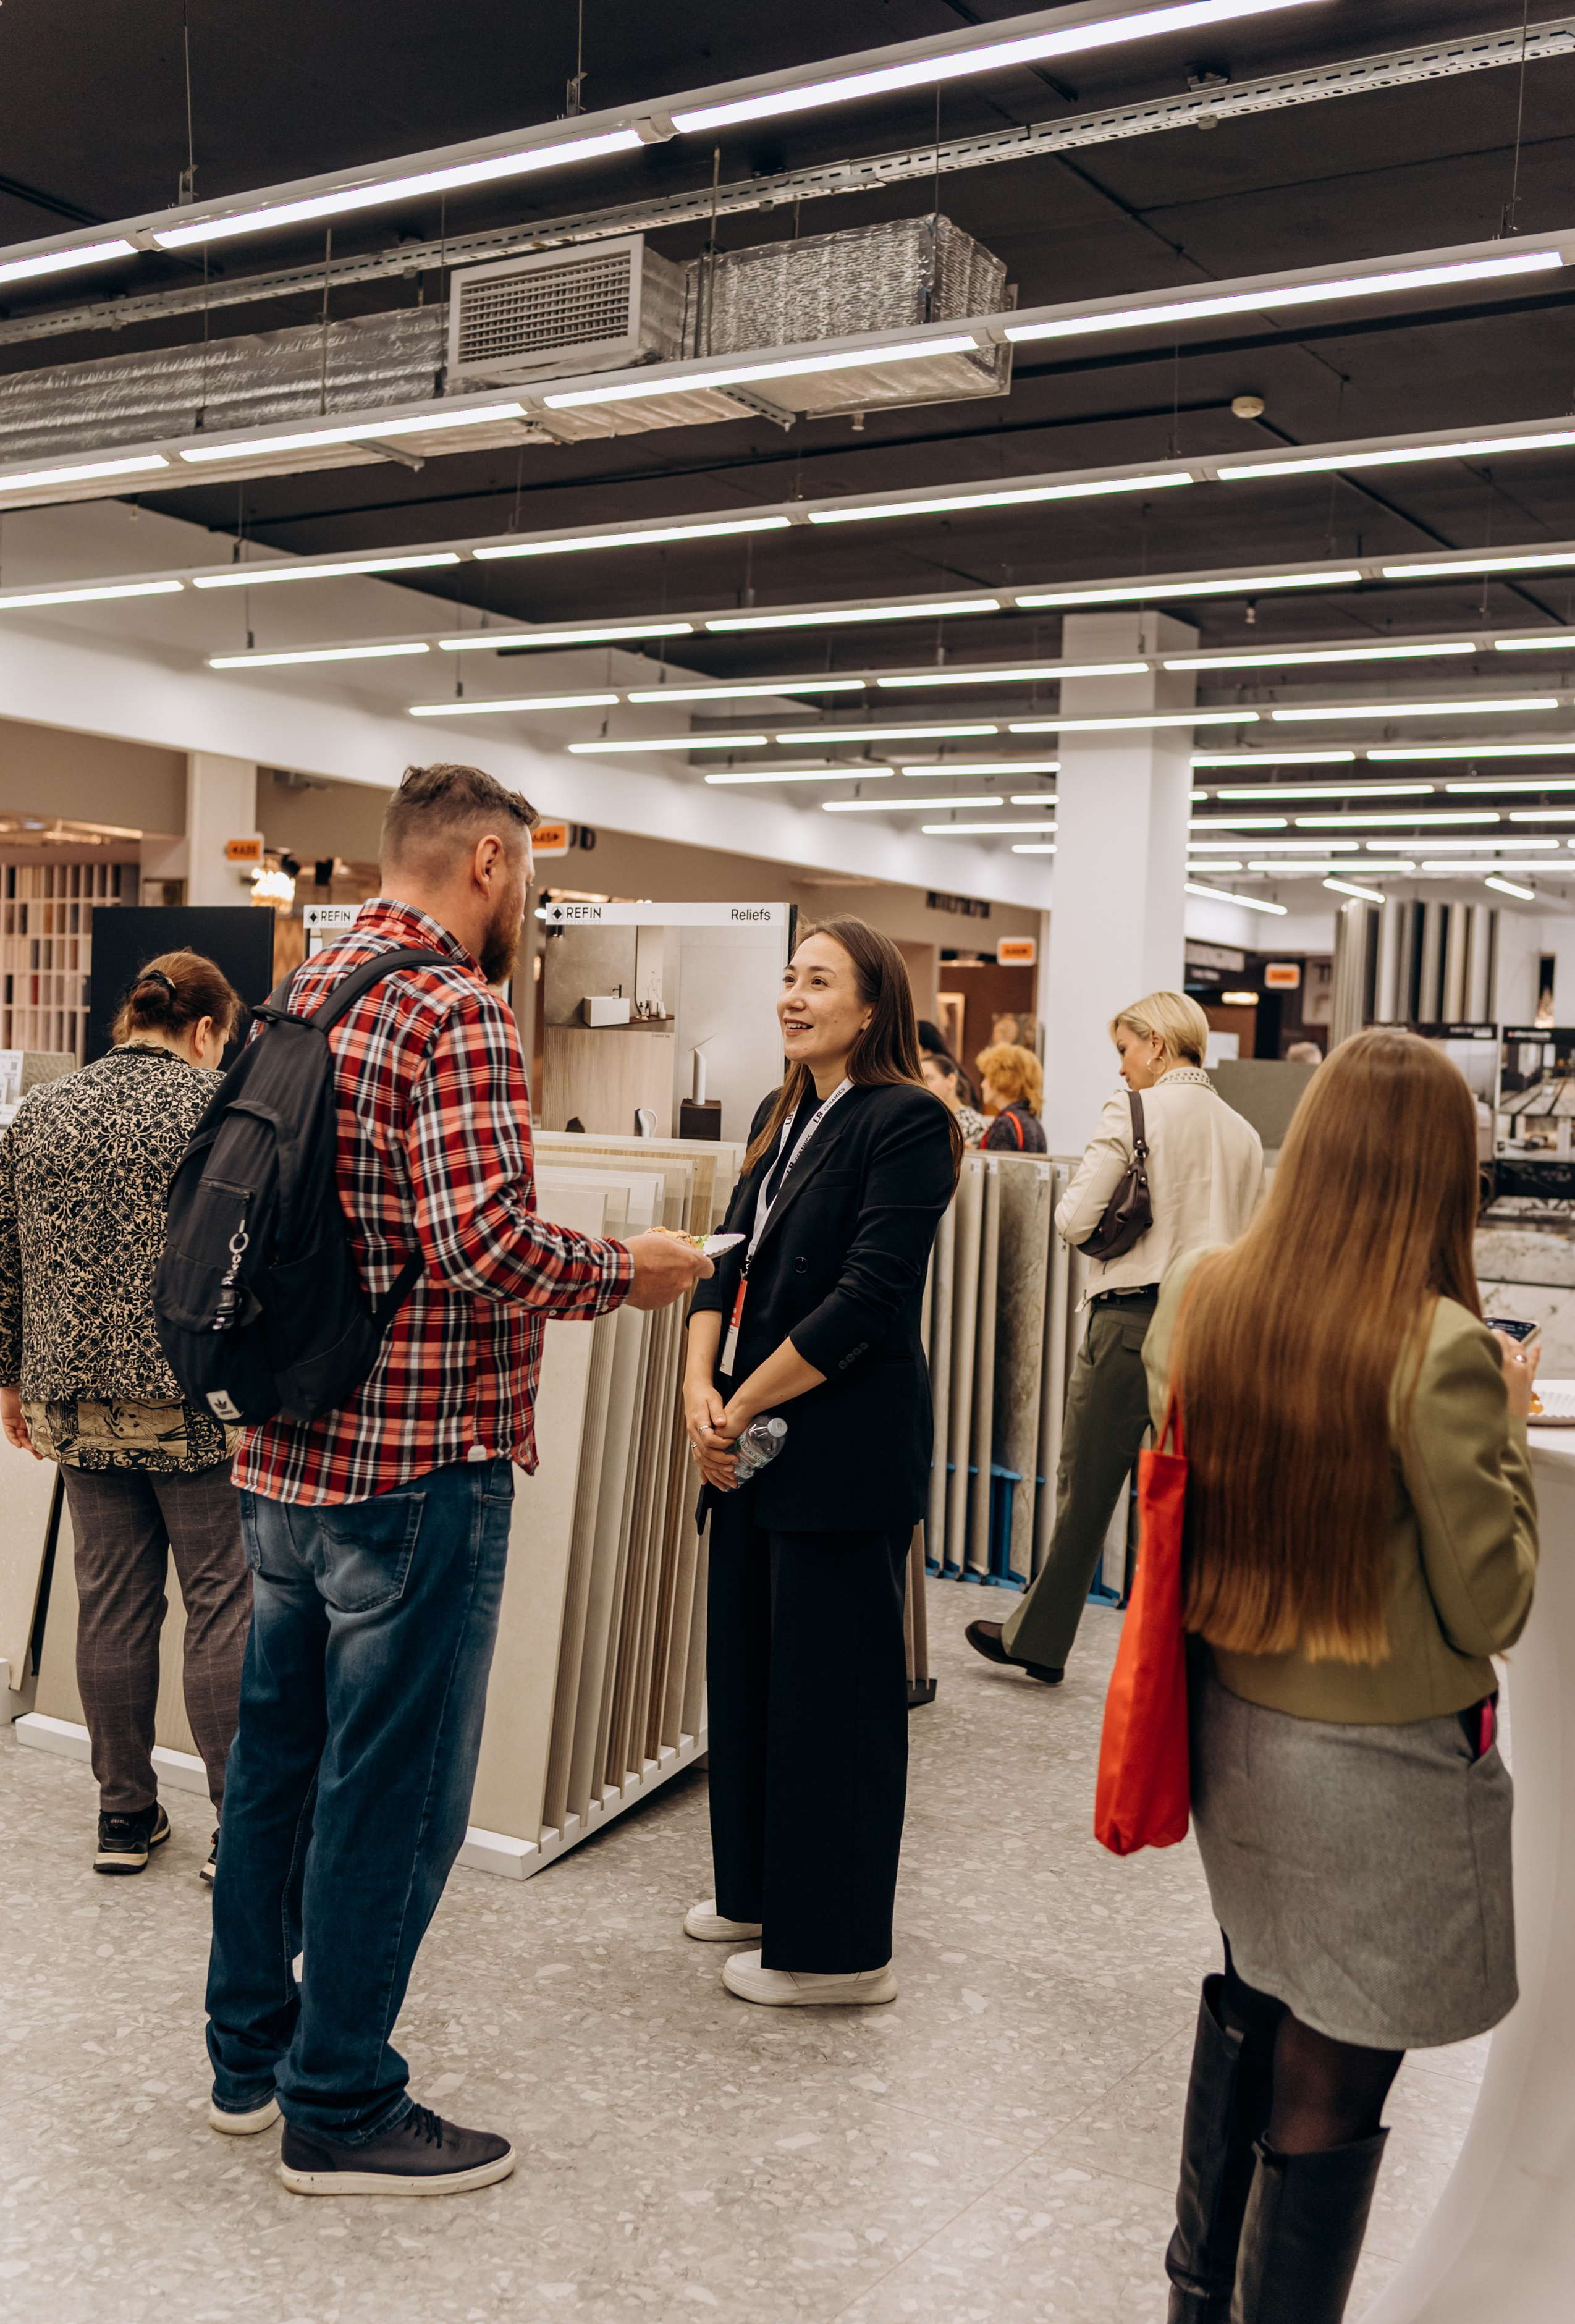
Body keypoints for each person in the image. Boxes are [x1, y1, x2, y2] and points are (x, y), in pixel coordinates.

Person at [204, 762, 709, 2197]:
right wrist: (629, 1269)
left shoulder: (303, 993)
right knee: (395, 1787)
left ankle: (248, 2057)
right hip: (414, 1464)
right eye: (527, 871)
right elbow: (483, 1241)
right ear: (488, 859)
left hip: (283, 1453)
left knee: (275, 1766)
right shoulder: (453, 1008)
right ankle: (340, 2101)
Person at [1149, 1031, 1535, 2324]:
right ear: (1439, 1177)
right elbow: (1492, 1605)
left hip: (1232, 1741)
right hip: (1378, 1774)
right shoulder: (1441, 1349)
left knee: (1255, 2006)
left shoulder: (1202, 1296)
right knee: (1334, 2076)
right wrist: (1505, 1426)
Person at [682, 917, 958, 2008]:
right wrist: (698, 1388)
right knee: (752, 1675)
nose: (792, 997)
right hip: (753, 1440)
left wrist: (740, 1403)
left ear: (874, 1004)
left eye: (819, 980)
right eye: (789, 977)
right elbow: (725, 1258)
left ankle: (839, 1953)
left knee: (831, 1702)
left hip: (840, 1447)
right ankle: (759, 1894)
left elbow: (866, 1297)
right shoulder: (780, 1110)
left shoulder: (909, 1120)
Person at [0, 950, 249, 1882]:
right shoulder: (222, 1111)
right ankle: (239, 1832)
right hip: (195, 1397)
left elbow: (6, 1255)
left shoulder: (43, 1110)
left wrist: (10, 1380)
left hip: (72, 1395)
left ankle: (122, 1815)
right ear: (206, 1029)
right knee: (222, 1604)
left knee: (109, 1602)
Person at [967, 991, 1262, 1684]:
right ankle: (1202, 1659)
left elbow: (1074, 1220)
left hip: (1131, 1324)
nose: (1122, 1066)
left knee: (1089, 1492)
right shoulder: (1244, 1134)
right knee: (1194, 1499)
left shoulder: (1133, 1110)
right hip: (1214, 1333)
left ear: (1156, 1044)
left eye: (1125, 1049)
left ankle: (1040, 1641)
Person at [977, 1040, 1047, 1152]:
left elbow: (997, 1163)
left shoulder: (1005, 1124)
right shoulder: (1034, 1122)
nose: (982, 1085)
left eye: (987, 1077)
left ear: (1003, 1079)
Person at [921, 1047, 986, 1146]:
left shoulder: (973, 1123)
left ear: (951, 1080)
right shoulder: (920, 1119)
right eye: (920, 1080)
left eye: (929, 1078)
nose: (923, 1085)